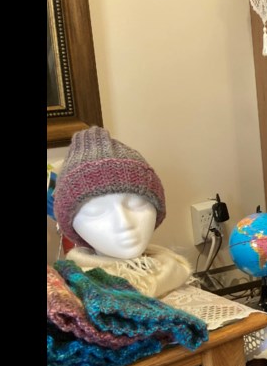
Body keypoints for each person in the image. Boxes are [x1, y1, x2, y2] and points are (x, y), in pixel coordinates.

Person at [52, 126, 193, 298]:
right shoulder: (70, 296)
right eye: (97, 212)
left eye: (137, 204)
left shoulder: (178, 274)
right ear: (71, 224)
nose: (124, 223)